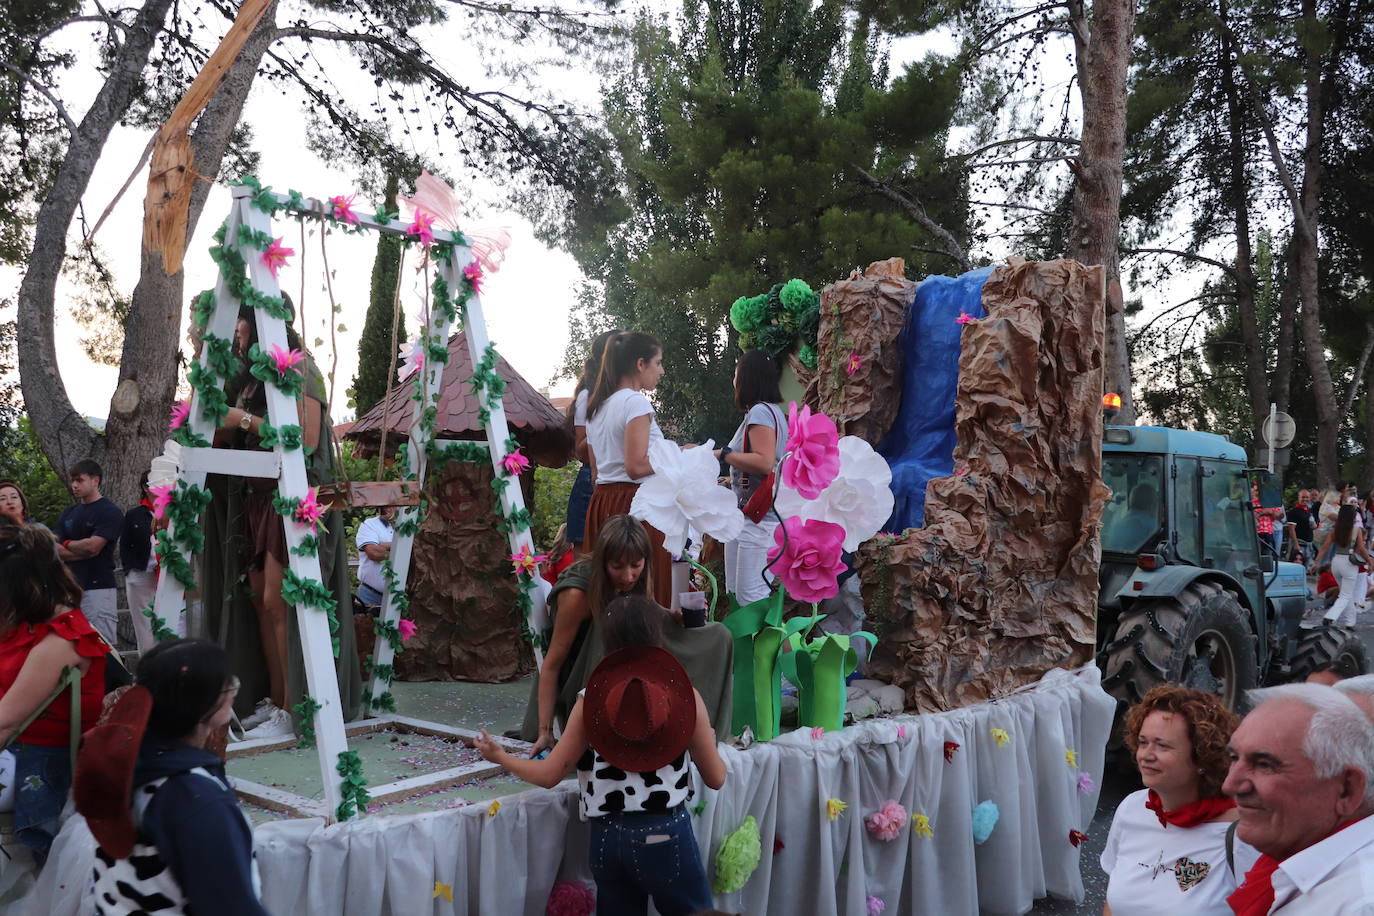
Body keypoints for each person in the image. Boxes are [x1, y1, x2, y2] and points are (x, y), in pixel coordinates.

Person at [476, 596, 727, 916]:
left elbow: (550, 774)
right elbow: (716, 778)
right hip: (665, 831)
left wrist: (501, 757)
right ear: (658, 636)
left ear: (608, 640)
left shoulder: (590, 699)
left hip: (607, 838)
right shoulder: (684, 697)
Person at [218, 303, 361, 736]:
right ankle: (276, 697)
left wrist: (242, 419)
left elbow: (307, 436)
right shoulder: (247, 381)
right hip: (257, 497)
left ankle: (293, 707)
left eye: (240, 326)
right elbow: (226, 433)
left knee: (281, 603)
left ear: (259, 326)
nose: (236, 334)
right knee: (263, 603)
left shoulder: (301, 367)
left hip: (295, 499)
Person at [80, 638, 269, 915]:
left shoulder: (129, 764)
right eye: (228, 684)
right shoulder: (197, 799)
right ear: (210, 703)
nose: (233, 692)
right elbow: (231, 906)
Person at [0, 524, 111, 861]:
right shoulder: (27, 624)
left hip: (37, 763)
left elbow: (4, 722)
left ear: (24, 589)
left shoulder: (61, 640)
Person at [1100, 685, 1256, 915]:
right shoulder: (1132, 808)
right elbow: (1113, 904)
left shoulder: (1244, 836)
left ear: (1203, 756)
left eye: (1162, 745)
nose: (1146, 755)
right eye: (1143, 742)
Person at [1223, 683, 1374, 914]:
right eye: (1234, 757)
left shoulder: (1360, 903)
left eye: (1264, 764)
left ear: (1346, 788)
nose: (1230, 785)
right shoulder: (1291, 867)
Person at [522, 514, 656, 756]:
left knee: (714, 636)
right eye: (617, 567)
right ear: (603, 562)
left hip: (622, 670)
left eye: (636, 566)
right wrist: (545, 731)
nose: (628, 577)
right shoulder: (577, 595)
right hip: (581, 679)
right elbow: (552, 665)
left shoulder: (636, 579)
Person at [585, 331, 674, 608]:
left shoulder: (597, 406)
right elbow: (635, 467)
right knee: (646, 595)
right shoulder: (634, 402)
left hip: (603, 502)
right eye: (658, 363)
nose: (661, 371)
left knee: (608, 598)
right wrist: (679, 456)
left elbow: (596, 472)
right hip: (636, 508)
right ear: (640, 364)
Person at [715, 350, 785, 605]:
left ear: (746, 378)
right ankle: (744, 645)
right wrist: (730, 479)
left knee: (749, 599)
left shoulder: (760, 413)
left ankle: (765, 646)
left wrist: (724, 454)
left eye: (736, 374)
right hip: (751, 515)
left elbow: (765, 462)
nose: (734, 381)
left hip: (757, 519)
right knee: (737, 596)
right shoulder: (773, 412)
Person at [52, 459, 124, 645]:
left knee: (102, 645)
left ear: (95, 481)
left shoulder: (110, 511)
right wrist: (79, 548)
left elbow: (93, 547)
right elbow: (54, 549)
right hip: (69, 588)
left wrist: (67, 542)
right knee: (70, 645)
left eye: (80, 480)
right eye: (72, 480)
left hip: (98, 588)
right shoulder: (68, 513)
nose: (74, 485)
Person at [566, 329, 622, 556]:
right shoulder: (587, 396)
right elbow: (581, 451)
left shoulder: (630, 396)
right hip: (591, 485)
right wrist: (604, 428)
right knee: (586, 564)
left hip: (623, 485)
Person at [1312, 504, 1369, 628]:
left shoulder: (1335, 529)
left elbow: (1325, 547)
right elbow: (1361, 548)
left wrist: (1316, 561)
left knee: (1346, 593)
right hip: (1349, 563)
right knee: (1346, 595)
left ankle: (1350, 623)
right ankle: (1330, 617)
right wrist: (1370, 560)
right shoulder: (1356, 529)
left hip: (1336, 562)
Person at [121, 472, 158, 651]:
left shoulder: (174, 511)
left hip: (167, 572)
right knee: (144, 626)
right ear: (145, 487)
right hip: (142, 573)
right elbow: (125, 544)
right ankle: (149, 668)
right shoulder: (134, 515)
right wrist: (130, 571)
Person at [355, 505, 396, 610]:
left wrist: (384, 545)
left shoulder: (409, 527)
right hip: (371, 596)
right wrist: (402, 548)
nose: (387, 508)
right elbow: (374, 553)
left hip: (400, 598)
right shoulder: (369, 525)